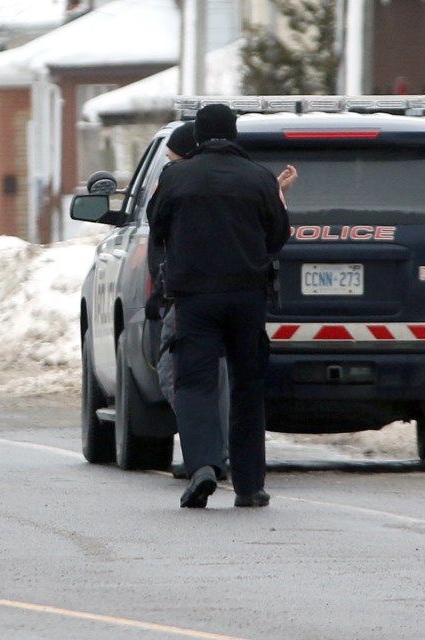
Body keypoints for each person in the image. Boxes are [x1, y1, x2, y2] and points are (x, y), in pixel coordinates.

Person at [147, 104, 289, 508]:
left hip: (194, 300)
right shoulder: (260, 179)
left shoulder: (175, 178)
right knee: (247, 386)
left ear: (197, 136)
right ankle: (248, 486)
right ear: (234, 134)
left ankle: (204, 466)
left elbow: (156, 225)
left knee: (194, 384)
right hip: (247, 298)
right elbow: (279, 233)